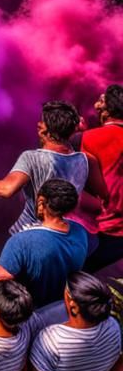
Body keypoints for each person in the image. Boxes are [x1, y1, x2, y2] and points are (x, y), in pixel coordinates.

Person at [0, 99, 103, 234]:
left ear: (44, 129)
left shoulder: (32, 158)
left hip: (29, 232)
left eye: (42, 121)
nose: (38, 123)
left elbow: (6, 189)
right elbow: (103, 196)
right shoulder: (87, 160)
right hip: (63, 233)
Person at [11, 271, 123, 371]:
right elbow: (119, 368)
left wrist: (23, 369)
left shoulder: (51, 340)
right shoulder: (113, 328)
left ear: (72, 305)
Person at [0, 179, 88, 309]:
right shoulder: (81, 233)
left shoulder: (22, 242)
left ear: (41, 202)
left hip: (24, 309)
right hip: (55, 307)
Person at [82, 84, 123, 270]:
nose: (95, 105)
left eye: (101, 100)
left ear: (107, 108)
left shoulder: (87, 139)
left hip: (102, 228)